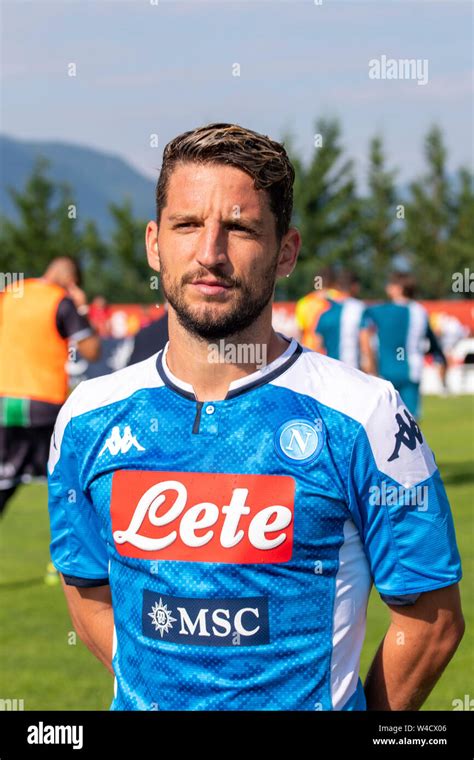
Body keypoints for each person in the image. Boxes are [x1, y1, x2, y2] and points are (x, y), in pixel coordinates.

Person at [48, 123, 463, 712]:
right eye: (187, 225)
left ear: (286, 251)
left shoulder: (364, 414)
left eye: (239, 228)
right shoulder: (86, 418)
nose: (210, 253)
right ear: (154, 243)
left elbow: (431, 620)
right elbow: (85, 584)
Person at [0, 257, 100, 516]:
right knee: (68, 484)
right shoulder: (61, 300)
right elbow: (92, 351)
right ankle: (72, 552)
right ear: (71, 282)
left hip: (4, 400)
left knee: (6, 479)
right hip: (43, 402)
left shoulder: (12, 292)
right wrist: (81, 308)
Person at [360, 272, 447, 418]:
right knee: (411, 422)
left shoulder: (379, 310)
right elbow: (433, 346)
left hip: (385, 372)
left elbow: (363, 326)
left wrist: (369, 360)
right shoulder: (420, 311)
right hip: (412, 372)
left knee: (386, 420)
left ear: (398, 288)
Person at [314, 270, 365, 368]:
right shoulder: (359, 308)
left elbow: (317, 346)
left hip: (331, 370)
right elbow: (365, 346)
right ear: (356, 287)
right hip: (354, 371)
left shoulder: (322, 310)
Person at [295, 266, 342, 350]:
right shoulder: (339, 298)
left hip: (310, 351)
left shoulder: (304, 302)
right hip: (333, 351)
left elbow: (301, 332)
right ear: (334, 282)